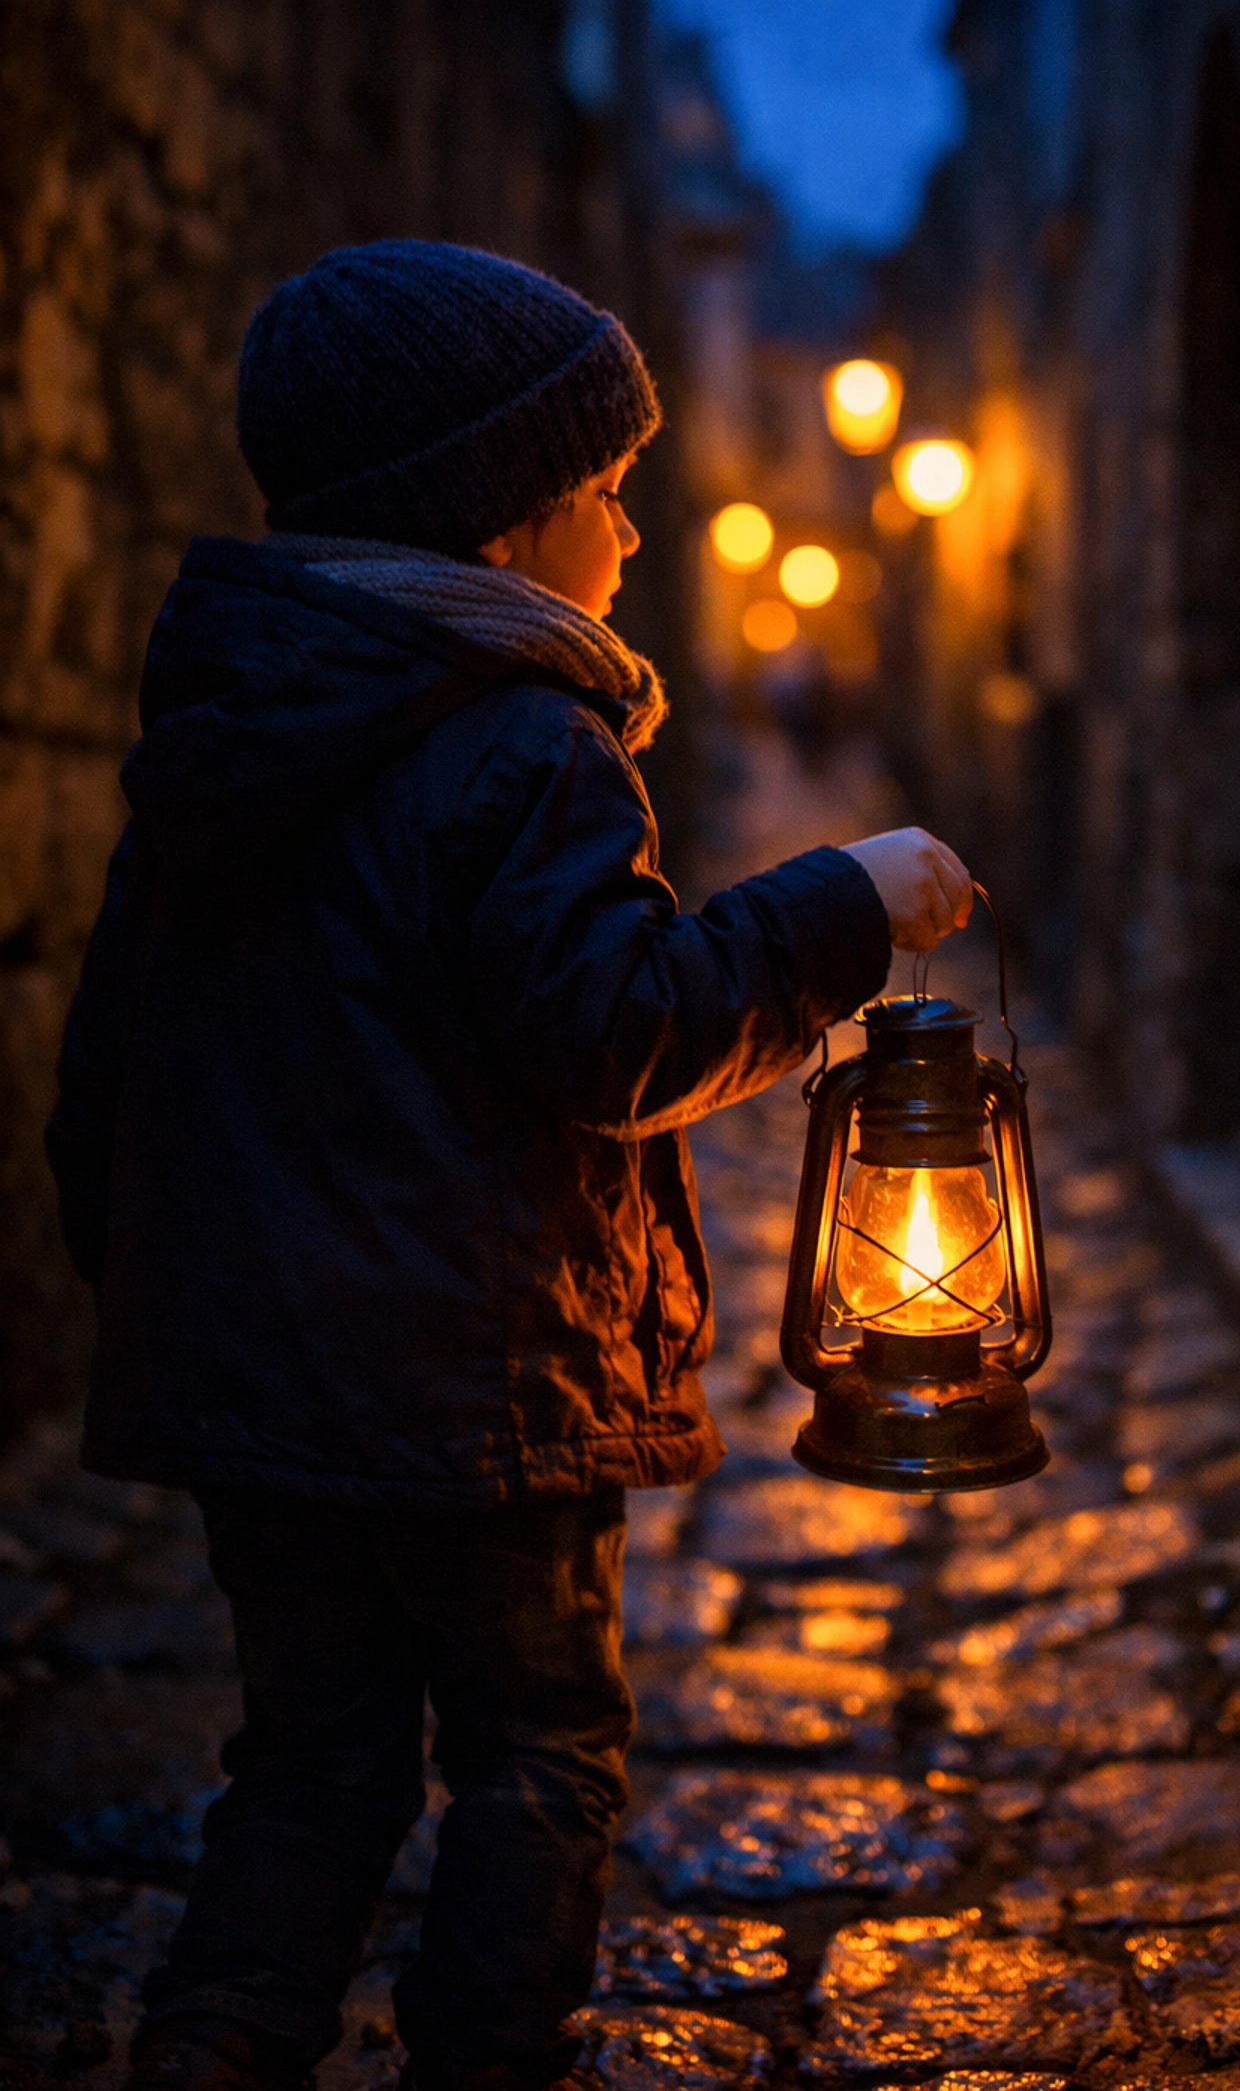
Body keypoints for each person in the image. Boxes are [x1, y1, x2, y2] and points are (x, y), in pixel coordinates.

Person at [45, 241, 972, 2091]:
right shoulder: (526, 745)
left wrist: (195, 1312)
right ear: (499, 522)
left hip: (265, 1393)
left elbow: (105, 1090)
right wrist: (839, 912)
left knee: (308, 1756)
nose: (631, 538)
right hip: (489, 1389)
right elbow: (616, 1032)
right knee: (538, 1745)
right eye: (605, 495)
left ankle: (212, 2048)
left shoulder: (223, 735)